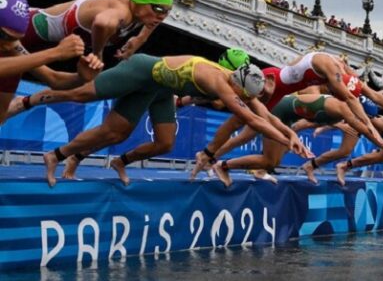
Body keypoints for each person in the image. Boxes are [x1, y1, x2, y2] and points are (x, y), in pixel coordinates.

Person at [9, 55, 312, 187]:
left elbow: (265, 114)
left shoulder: (237, 83)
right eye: (244, 96)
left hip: (160, 89)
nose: (245, 100)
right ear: (239, 86)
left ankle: (105, 161)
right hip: (141, 71)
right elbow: (250, 118)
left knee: (164, 142)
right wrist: (288, 140)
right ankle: (29, 101)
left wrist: (290, 135)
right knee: (81, 96)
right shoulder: (219, 82)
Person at [191, 51, 383, 176]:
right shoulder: (338, 86)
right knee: (237, 120)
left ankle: (213, 157)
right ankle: (209, 155)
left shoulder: (346, 74)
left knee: (245, 129)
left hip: (281, 95)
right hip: (270, 86)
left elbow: (374, 97)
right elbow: (362, 118)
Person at [209, 90, 383, 187]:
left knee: (249, 142)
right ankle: (220, 165)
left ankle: (209, 159)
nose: (366, 121)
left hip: (286, 114)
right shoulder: (343, 110)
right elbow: (372, 135)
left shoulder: (345, 108)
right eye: (365, 117)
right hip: (279, 113)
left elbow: (374, 127)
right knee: (269, 158)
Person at [0, 0, 103, 124]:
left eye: (14, 39)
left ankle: (21, 104)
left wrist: (81, 77)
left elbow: (54, 79)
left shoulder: (11, 45)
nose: (7, 45)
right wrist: (56, 53)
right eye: (3, 36)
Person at [21, 0, 173, 60]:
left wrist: (140, 38)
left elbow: (154, 16)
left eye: (168, 10)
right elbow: (102, 22)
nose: (162, 17)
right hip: (21, 28)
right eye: (159, 9)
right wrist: (97, 54)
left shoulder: (144, 13)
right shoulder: (123, 11)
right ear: (142, 1)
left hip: (34, 41)